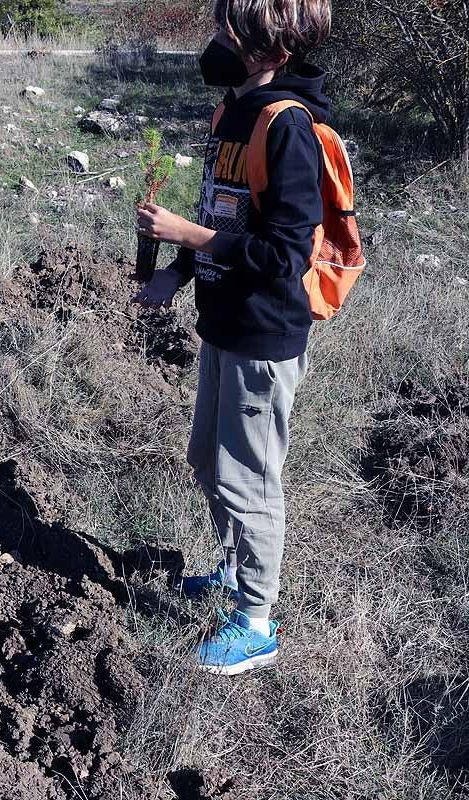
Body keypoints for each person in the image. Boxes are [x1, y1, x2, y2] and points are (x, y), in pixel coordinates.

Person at [132, 0, 331, 675]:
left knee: (250, 479)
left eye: (230, 32)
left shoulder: (289, 126)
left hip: (264, 333)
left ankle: (255, 622)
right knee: (207, 464)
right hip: (222, 323)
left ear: (272, 47)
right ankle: (232, 572)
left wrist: (184, 237)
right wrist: (179, 272)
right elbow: (222, 206)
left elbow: (284, 254)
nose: (216, 41)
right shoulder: (231, 111)